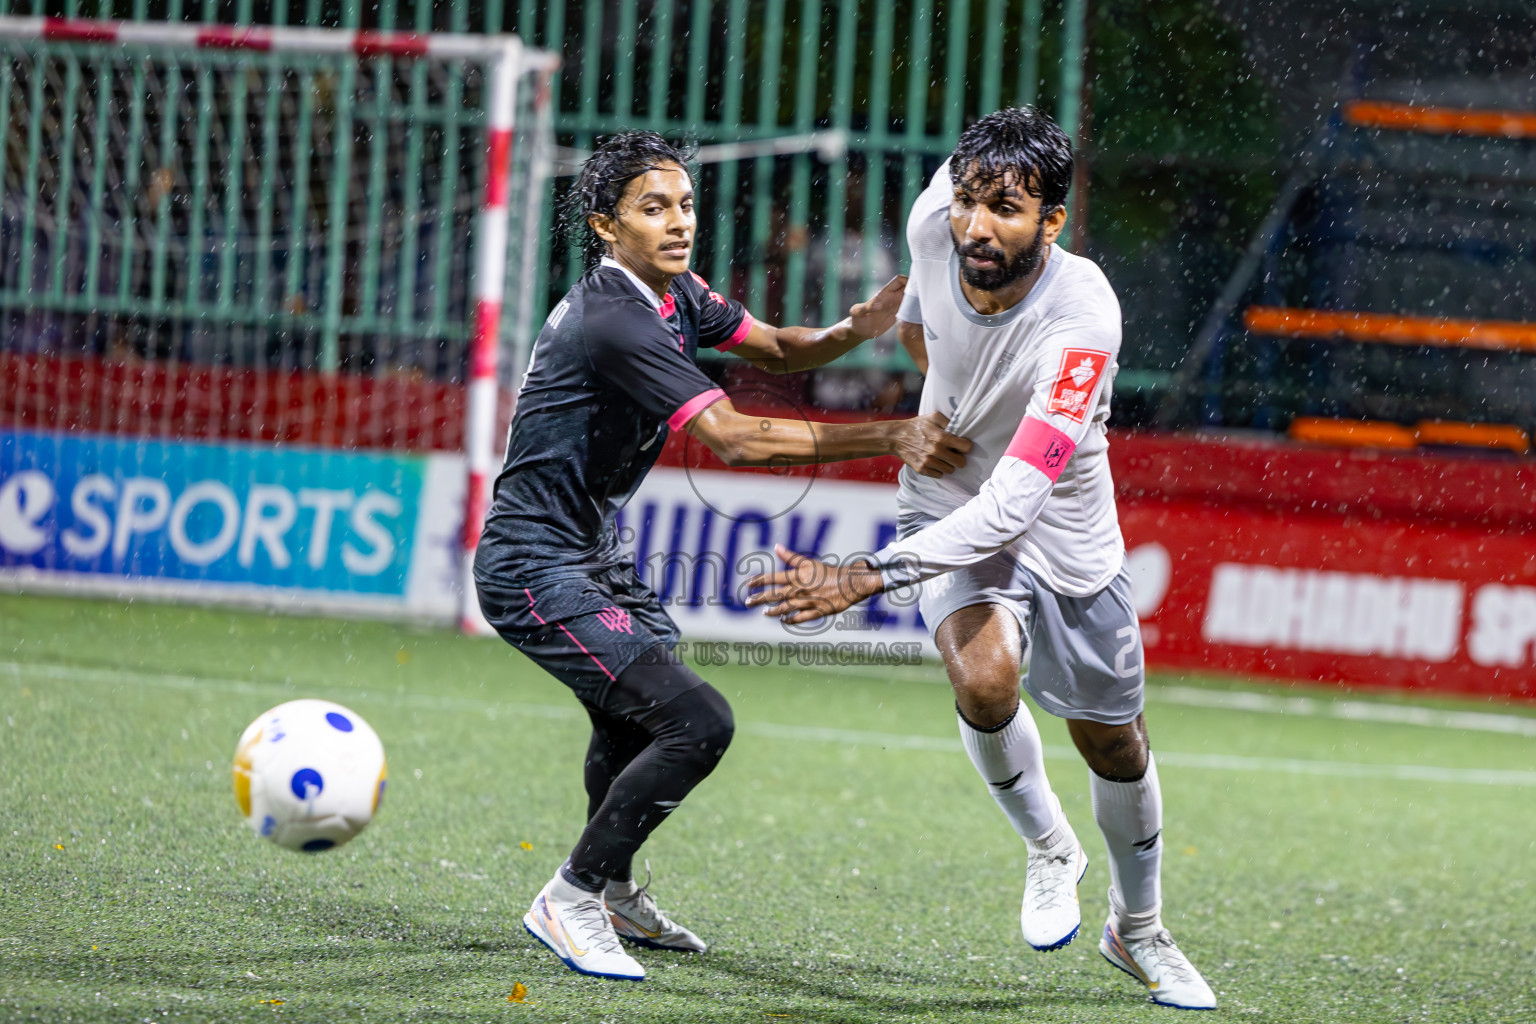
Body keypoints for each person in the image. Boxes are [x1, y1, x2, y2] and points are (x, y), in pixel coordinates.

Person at [473, 131, 971, 982]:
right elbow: (734, 439)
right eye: (653, 208)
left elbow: (777, 348)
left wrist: (855, 328)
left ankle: (613, 887)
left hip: (590, 551)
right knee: (698, 721)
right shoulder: (615, 318)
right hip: (531, 566)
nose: (679, 223)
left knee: (637, 707)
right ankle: (571, 893)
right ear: (605, 225)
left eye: (686, 205)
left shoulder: (674, 295)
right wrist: (891, 433)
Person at [746, 107, 1216, 1010]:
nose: (977, 227)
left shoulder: (1085, 318)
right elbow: (924, 322)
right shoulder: (936, 226)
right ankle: (1049, 848)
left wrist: (863, 574)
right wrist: (937, 409)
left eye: (1005, 208)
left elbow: (1016, 503)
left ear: (1053, 219)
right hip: (951, 496)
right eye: (968, 201)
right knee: (985, 679)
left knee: (1113, 742)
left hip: (1063, 524)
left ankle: (1140, 929)